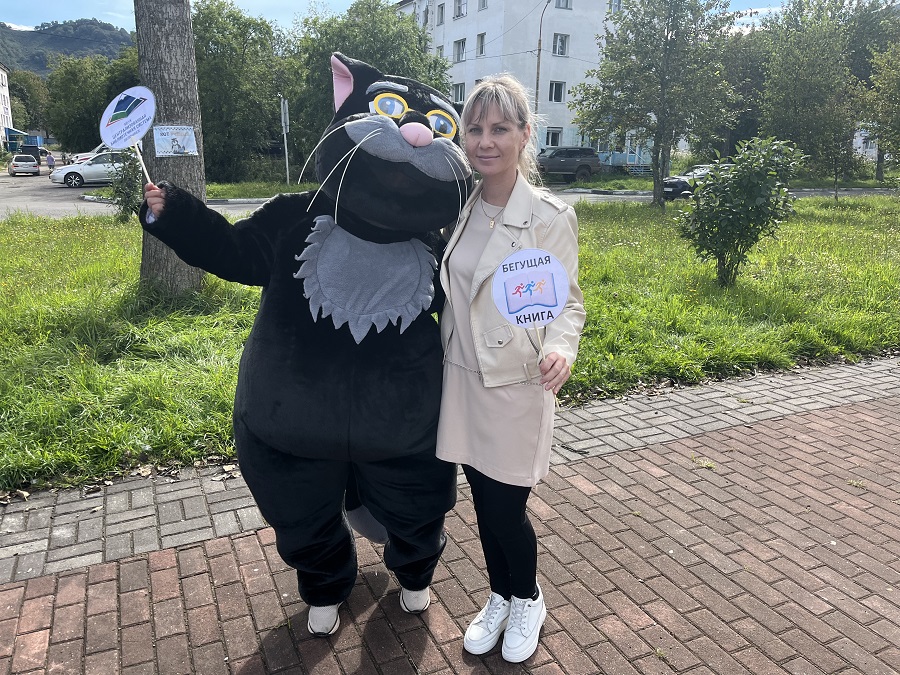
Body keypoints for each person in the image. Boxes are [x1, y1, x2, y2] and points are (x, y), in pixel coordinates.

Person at [436, 74, 585, 663]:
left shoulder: (548, 216)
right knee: (481, 499)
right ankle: (500, 594)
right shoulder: (461, 206)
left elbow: (566, 302)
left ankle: (528, 597)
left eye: (499, 128)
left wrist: (562, 348)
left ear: (525, 135)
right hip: (462, 379)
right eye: (474, 128)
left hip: (517, 384)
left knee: (505, 508)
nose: (484, 141)